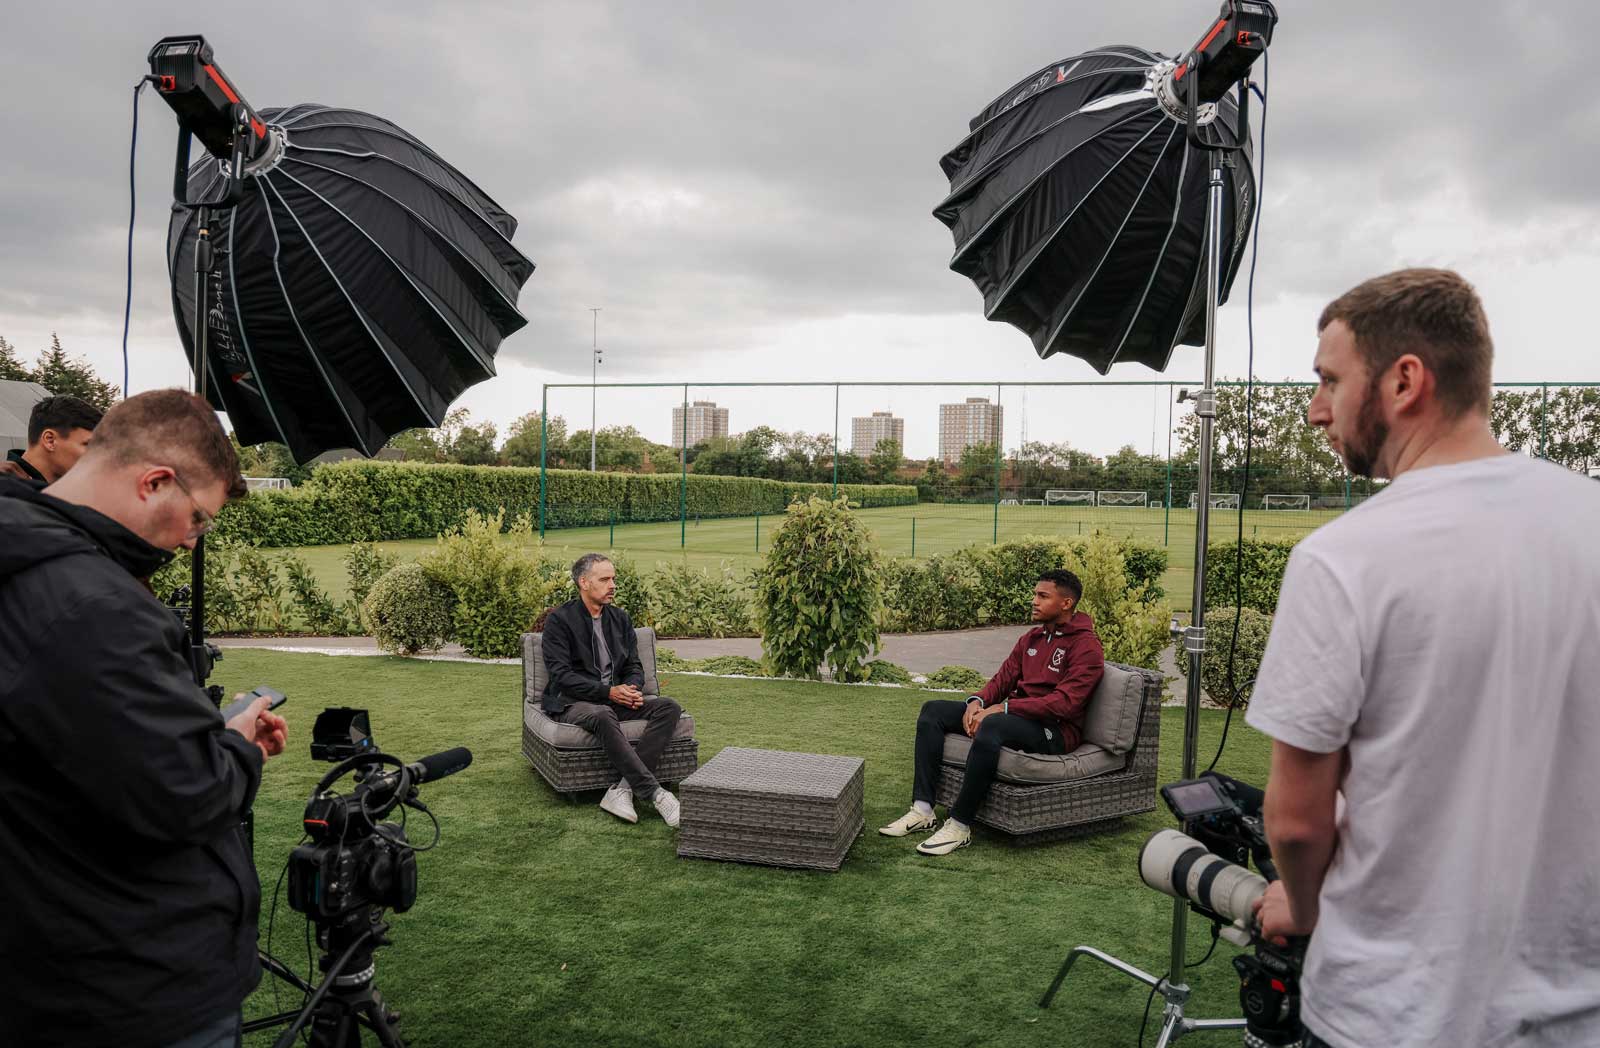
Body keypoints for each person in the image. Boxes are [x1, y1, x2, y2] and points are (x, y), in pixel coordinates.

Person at [1245, 269, 1600, 1048]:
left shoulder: (1342, 558)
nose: (1315, 410)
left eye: (1329, 380)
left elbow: (1298, 822)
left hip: (1391, 1013)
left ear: (1405, 380)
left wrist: (1301, 909)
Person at [0, 388, 288, 1048]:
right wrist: (236, 745)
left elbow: (99, 748)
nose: (192, 541)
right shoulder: (90, 604)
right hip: (129, 982)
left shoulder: (32, 560)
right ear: (154, 481)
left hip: (48, 956)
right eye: (197, 518)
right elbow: (185, 795)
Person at [880, 569, 1105, 855]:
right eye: (1035, 594)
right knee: (932, 711)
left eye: (1042, 596)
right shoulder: (1031, 639)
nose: (1034, 601)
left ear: (1066, 603)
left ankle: (959, 825)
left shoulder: (1086, 646)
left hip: (1055, 730)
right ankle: (923, 809)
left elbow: (1065, 703)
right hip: (1016, 718)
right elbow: (1002, 680)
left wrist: (1005, 708)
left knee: (993, 726)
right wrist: (977, 702)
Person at [541, 553, 683, 828]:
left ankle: (622, 790)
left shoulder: (620, 618)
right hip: (574, 701)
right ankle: (656, 794)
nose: (612, 585)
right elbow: (561, 675)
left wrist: (631, 688)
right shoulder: (560, 620)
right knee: (604, 713)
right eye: (604, 579)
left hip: (614, 697)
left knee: (669, 707)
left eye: (613, 579)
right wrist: (608, 692)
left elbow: (634, 665)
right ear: (583, 582)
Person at [1, 393, 102, 483]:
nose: (98, 456)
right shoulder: (6, 490)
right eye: (88, 445)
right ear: (50, 440)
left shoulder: (75, 492)